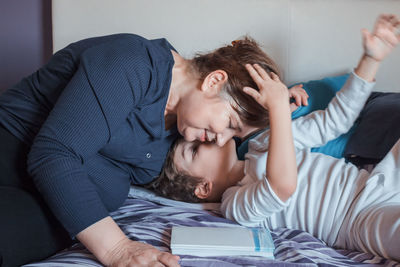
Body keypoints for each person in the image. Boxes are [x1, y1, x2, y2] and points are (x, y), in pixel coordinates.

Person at [0, 32, 305, 266]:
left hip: (51, 201)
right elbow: (54, 154)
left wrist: (278, 107)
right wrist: (118, 249)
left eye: (234, 138)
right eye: (230, 123)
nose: (222, 141)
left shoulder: (178, 133)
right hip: (12, 148)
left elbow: (206, 183)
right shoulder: (134, 63)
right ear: (213, 81)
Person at [148, 14, 400, 260]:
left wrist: (370, 59)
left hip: (377, 182)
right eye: (194, 150)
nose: (207, 138)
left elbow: (335, 121)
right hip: (356, 219)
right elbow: (280, 186)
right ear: (204, 187)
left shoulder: (262, 143)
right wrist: (279, 112)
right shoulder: (235, 204)